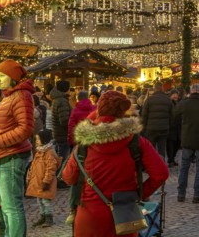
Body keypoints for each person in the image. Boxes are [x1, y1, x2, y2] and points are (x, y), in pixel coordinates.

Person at [62, 91, 169, 236]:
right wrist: (139, 193)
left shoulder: (84, 145)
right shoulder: (136, 142)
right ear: (123, 112)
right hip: (124, 217)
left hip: (89, 217)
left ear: (98, 109)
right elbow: (161, 173)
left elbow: (68, 177)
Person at [0, 59, 34, 237]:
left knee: (12, 207)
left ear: (13, 77)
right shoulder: (10, 96)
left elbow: (25, 128)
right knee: (7, 206)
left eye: (2, 75)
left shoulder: (21, 96)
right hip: (1, 157)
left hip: (9, 156)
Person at [65, 90, 95, 224]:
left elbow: (71, 126)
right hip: (93, 143)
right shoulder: (94, 108)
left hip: (80, 144)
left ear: (78, 98)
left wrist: (71, 141)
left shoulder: (76, 110)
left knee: (77, 176)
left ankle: (73, 208)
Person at [26, 129, 61, 228]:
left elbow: (51, 169)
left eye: (38, 139)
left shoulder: (49, 153)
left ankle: (49, 218)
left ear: (44, 140)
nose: (36, 141)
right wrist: (29, 177)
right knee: (39, 200)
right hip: (38, 182)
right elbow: (33, 166)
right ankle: (43, 216)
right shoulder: (39, 151)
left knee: (46, 201)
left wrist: (46, 182)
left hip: (45, 183)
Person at [141, 82, 174, 160]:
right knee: (162, 149)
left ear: (154, 88)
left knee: (151, 149)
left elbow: (144, 115)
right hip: (164, 128)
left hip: (151, 128)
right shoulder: (168, 100)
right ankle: (161, 165)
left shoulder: (149, 100)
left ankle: (152, 166)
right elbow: (172, 116)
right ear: (162, 88)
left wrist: (144, 127)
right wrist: (168, 126)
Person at [51, 80, 72, 174]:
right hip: (63, 134)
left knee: (61, 155)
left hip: (58, 132)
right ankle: (60, 177)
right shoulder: (62, 101)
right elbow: (64, 120)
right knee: (63, 157)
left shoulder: (57, 99)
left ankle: (59, 176)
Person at [167, 89, 182, 168]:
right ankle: (170, 160)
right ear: (171, 95)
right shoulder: (169, 103)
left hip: (177, 127)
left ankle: (172, 159)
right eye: (174, 94)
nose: (175, 96)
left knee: (177, 143)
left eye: (176, 94)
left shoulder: (178, 103)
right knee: (171, 145)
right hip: (170, 127)